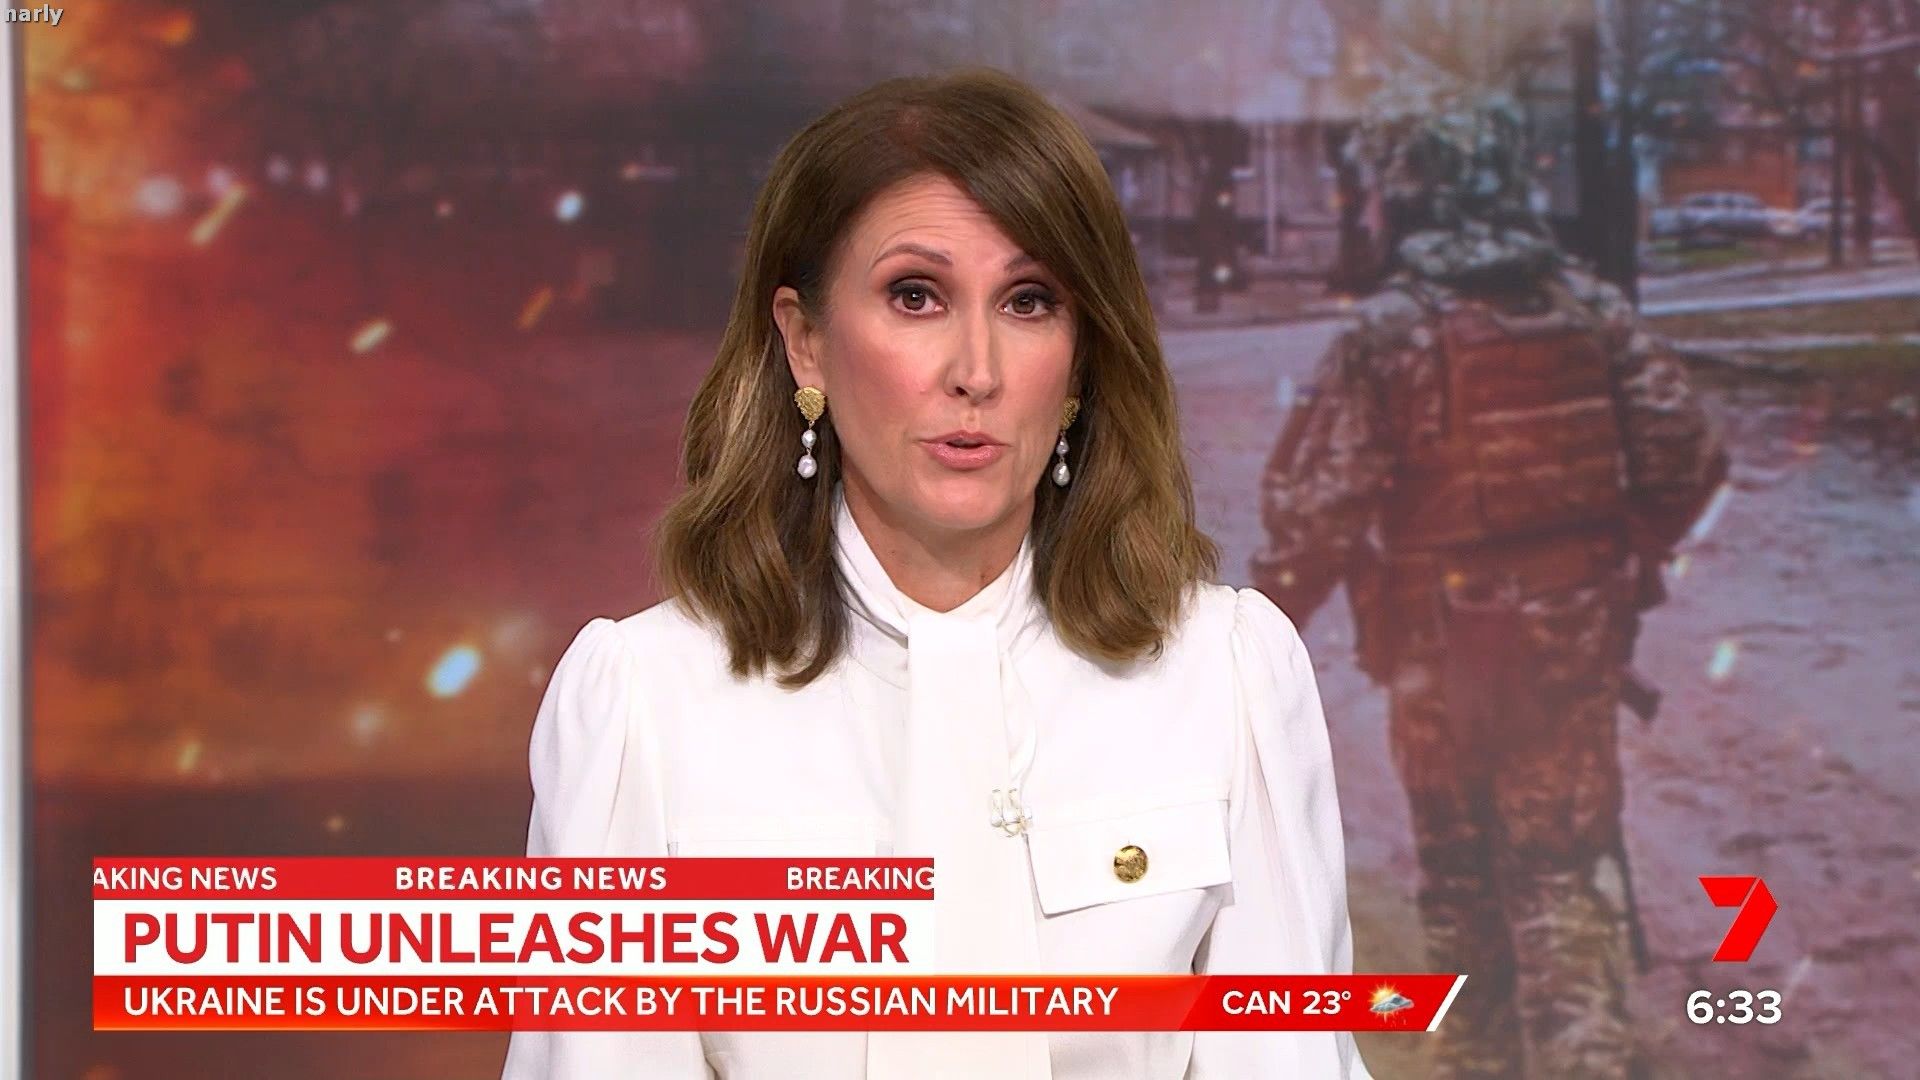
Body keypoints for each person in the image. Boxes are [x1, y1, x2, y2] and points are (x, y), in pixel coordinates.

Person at [501, 69, 1372, 1080]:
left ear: (1081, 358)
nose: (977, 371)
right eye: (915, 296)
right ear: (806, 341)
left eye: (1029, 302)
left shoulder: (1224, 675)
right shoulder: (646, 703)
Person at [1251, 102, 1728, 1079]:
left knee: (1463, 880)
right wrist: (1615, 557)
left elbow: (1316, 518)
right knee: (1563, 866)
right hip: (1570, 641)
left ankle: (1479, 1056)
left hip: (1437, 648)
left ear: (1409, 195)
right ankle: (1590, 1054)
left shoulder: (1389, 333)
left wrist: (1253, 637)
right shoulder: (1591, 311)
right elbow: (1690, 456)